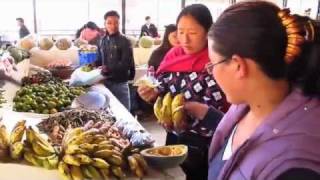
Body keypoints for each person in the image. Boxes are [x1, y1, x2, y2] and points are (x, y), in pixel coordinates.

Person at [203, 1, 320, 179]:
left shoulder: (294, 167)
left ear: (237, 66)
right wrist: (205, 114)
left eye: (213, 64)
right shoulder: (248, 106)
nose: (211, 72)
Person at [138, 4, 228, 180]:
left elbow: (228, 111)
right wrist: (151, 95)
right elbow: (162, 90)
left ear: (208, 31)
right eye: (180, 31)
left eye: (193, 33)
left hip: (206, 144)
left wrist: (198, 110)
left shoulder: (218, 60)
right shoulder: (173, 55)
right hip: (174, 136)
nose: (185, 39)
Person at [95, 10, 135, 110]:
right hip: (105, 82)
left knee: (125, 112)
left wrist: (107, 68)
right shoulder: (102, 40)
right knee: (110, 112)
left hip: (120, 83)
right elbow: (100, 59)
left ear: (119, 23)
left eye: (116, 22)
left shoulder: (125, 41)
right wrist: (94, 65)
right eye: (109, 23)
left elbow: (126, 64)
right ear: (104, 24)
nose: (113, 26)